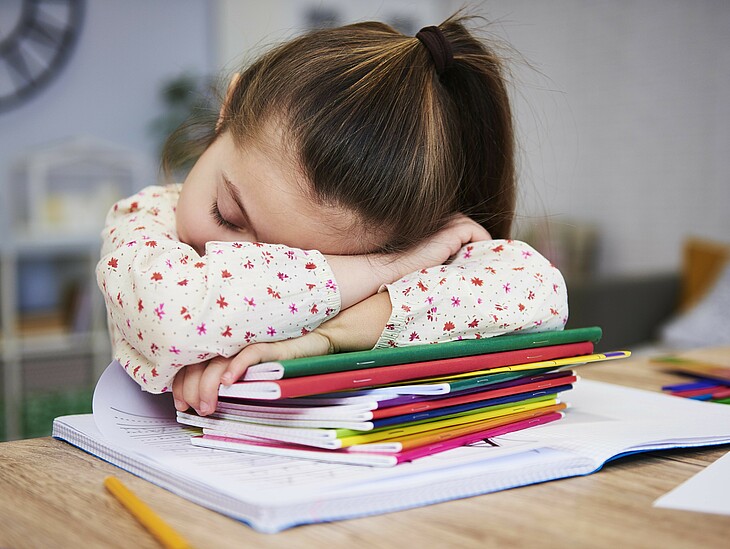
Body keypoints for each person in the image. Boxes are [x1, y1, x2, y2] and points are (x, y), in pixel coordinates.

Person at [97, 15, 568, 417]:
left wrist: (320, 340)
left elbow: (539, 294)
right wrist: (385, 270)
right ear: (228, 112)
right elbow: (175, 317)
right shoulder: (145, 218)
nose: (234, 259)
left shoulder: (392, 246)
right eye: (226, 214)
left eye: (294, 257)